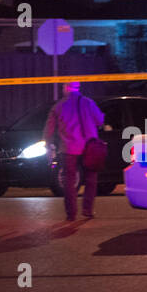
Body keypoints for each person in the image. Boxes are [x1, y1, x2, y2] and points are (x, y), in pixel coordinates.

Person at [43, 82, 104, 220]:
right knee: (91, 179)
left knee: (69, 181)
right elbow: (100, 120)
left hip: (68, 148)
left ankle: (71, 213)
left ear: (65, 89)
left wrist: (48, 144)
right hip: (89, 148)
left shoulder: (58, 106)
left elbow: (49, 129)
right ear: (78, 88)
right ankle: (87, 210)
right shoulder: (89, 103)